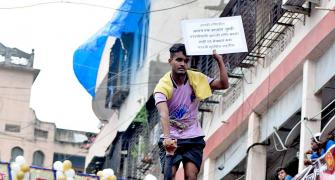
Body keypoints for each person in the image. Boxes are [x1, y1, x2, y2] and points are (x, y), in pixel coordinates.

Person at [154, 43, 229, 180]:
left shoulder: (197, 78)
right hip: (171, 137)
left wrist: (219, 60)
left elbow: (223, 84)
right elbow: (163, 113)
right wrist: (167, 138)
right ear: (170, 61)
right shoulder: (163, 86)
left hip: (193, 137)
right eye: (179, 60)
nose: (183, 64)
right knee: (169, 176)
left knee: (191, 176)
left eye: (186, 60)